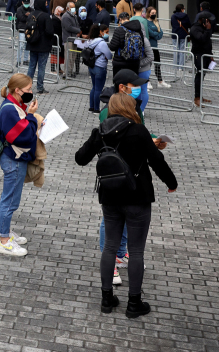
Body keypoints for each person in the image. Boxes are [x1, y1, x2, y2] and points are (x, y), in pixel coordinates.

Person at [75, 92, 177, 318]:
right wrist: (172, 183)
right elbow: (157, 162)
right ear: (132, 108)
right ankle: (134, 303)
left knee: (110, 246)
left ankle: (106, 298)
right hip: (137, 197)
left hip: (110, 198)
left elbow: (80, 158)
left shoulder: (100, 131)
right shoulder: (139, 132)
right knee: (137, 250)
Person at [0, 74, 40, 256]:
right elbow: (24, 136)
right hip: (13, 159)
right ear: (17, 90)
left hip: (15, 158)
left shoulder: (14, 104)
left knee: (12, 199)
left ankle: (6, 232)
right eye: (28, 89)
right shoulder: (10, 109)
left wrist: (29, 115)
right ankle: (4, 240)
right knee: (9, 200)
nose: (31, 92)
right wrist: (31, 116)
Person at [25, 0, 53, 93]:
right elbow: (50, 31)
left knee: (31, 66)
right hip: (43, 46)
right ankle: (40, 87)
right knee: (41, 67)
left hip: (33, 44)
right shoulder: (45, 16)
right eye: (45, 3)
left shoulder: (31, 15)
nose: (46, 4)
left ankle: (26, 86)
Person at [86, 24, 113, 113]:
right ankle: (96, 109)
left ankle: (92, 107)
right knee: (98, 89)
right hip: (100, 67)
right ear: (100, 32)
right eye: (106, 32)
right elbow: (109, 56)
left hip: (92, 66)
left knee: (94, 87)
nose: (107, 34)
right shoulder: (102, 43)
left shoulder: (90, 41)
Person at [191, 13, 214, 107]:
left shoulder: (203, 27)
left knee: (202, 75)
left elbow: (208, 42)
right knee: (199, 75)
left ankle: (200, 96)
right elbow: (201, 39)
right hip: (198, 55)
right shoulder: (195, 28)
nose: (209, 22)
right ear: (203, 19)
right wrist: (208, 29)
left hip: (206, 54)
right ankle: (197, 98)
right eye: (207, 20)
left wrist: (211, 55)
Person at [143, 7, 169, 89]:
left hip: (155, 46)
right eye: (152, 13)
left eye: (155, 13)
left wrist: (156, 34)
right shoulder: (146, 22)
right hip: (148, 46)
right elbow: (150, 32)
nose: (154, 14)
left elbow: (160, 33)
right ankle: (147, 81)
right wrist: (156, 34)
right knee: (148, 65)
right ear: (148, 13)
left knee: (158, 63)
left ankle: (160, 81)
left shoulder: (156, 21)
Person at [61, 1, 82, 78]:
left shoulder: (74, 16)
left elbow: (77, 25)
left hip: (74, 39)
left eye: (74, 7)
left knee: (73, 56)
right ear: (67, 8)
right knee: (68, 57)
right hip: (68, 39)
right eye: (72, 8)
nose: (74, 9)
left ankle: (70, 71)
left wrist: (79, 31)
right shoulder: (66, 16)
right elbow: (68, 27)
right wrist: (78, 30)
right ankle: (66, 73)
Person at [170, 4, 190, 75]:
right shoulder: (186, 16)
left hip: (175, 35)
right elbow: (189, 25)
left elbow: (172, 25)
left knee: (175, 50)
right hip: (183, 35)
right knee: (182, 50)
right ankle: (181, 67)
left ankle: (175, 66)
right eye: (184, 8)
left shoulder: (173, 16)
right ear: (182, 9)